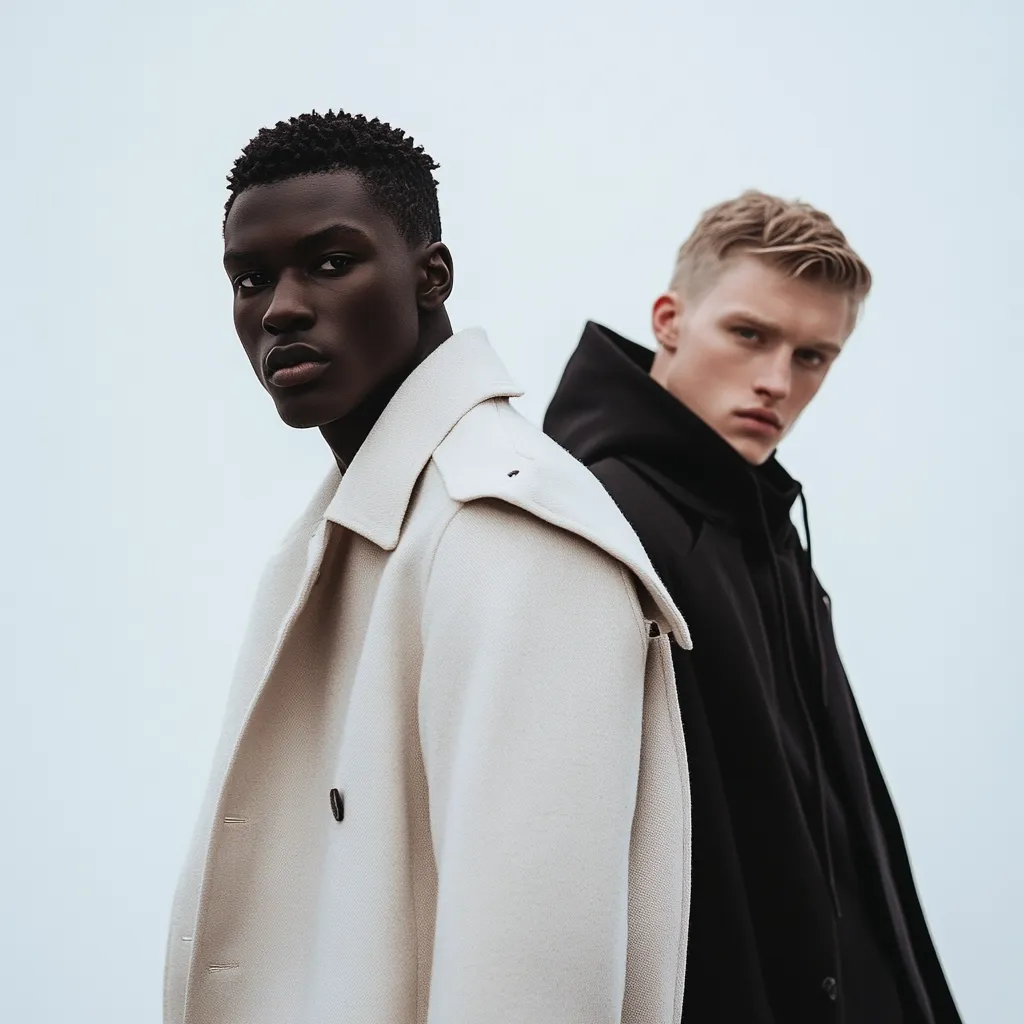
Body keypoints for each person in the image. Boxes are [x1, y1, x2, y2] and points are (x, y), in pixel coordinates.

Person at [164, 109, 693, 1024]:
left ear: (432, 275)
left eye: (330, 263)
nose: (280, 307)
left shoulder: (514, 532)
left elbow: (531, 986)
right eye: (250, 279)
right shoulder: (333, 543)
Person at [544, 191, 963, 1024]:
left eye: (813, 357)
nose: (777, 381)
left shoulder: (765, 530)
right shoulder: (598, 516)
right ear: (670, 318)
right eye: (750, 335)